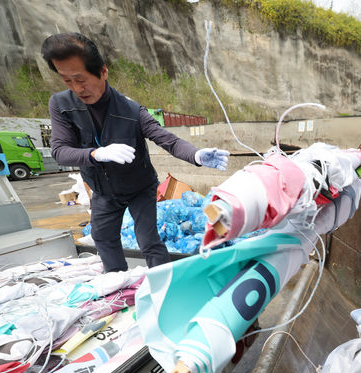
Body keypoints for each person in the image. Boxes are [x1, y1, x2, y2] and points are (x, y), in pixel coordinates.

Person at [41, 32, 230, 273]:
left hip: (140, 187)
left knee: (148, 241)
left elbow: (166, 139)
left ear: (103, 71)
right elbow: (60, 151)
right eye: (67, 81)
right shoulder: (61, 105)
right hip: (103, 190)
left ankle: (164, 286)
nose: (77, 88)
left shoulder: (131, 110)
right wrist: (95, 154)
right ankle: (120, 285)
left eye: (81, 79)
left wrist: (195, 155)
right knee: (103, 238)